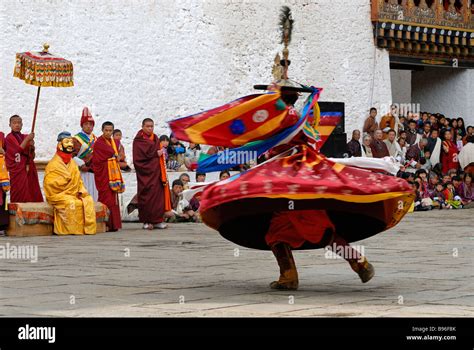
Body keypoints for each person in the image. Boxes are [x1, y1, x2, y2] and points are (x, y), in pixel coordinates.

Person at [43, 132, 96, 235]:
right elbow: (50, 184)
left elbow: (79, 181)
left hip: (73, 193)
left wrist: (81, 191)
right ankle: (70, 229)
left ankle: (84, 229)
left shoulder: (72, 164)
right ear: (59, 145)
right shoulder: (53, 164)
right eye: (66, 142)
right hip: (58, 194)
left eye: (71, 142)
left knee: (88, 200)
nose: (70, 145)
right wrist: (66, 181)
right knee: (71, 202)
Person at [133, 118, 172, 230]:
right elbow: (138, 159)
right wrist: (155, 154)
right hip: (146, 174)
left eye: (152, 126)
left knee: (158, 197)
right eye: (147, 126)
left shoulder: (155, 138)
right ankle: (146, 221)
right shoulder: (139, 140)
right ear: (142, 126)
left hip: (156, 173)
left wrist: (157, 155)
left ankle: (157, 221)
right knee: (146, 196)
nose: (150, 128)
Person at [92, 121, 125, 232]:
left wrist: (117, 158)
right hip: (104, 175)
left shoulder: (114, 142)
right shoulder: (99, 143)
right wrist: (111, 160)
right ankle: (105, 223)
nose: (108, 132)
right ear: (102, 130)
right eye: (106, 130)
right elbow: (96, 162)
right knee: (106, 198)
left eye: (110, 130)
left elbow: (120, 155)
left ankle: (114, 224)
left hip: (113, 175)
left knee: (113, 199)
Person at [4, 115, 43, 203]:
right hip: (17, 169)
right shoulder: (9, 138)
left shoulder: (25, 137)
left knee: (32, 190)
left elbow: (32, 156)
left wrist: (32, 147)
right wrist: (28, 139)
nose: (17, 125)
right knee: (19, 191)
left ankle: (32, 211)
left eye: (19, 123)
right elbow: (18, 149)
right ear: (10, 125)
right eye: (14, 123)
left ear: (22, 125)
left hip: (28, 168)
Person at [72, 107, 99, 202]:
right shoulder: (75, 139)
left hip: (94, 173)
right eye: (86, 124)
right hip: (81, 172)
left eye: (91, 124)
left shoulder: (96, 140)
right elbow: (71, 156)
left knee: (94, 197)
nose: (88, 126)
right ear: (82, 125)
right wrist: (80, 164)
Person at [0, 131, 9, 232]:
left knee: (2, 199)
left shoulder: (1, 135)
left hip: (1, 171)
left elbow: (6, 151)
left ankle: (1, 226)